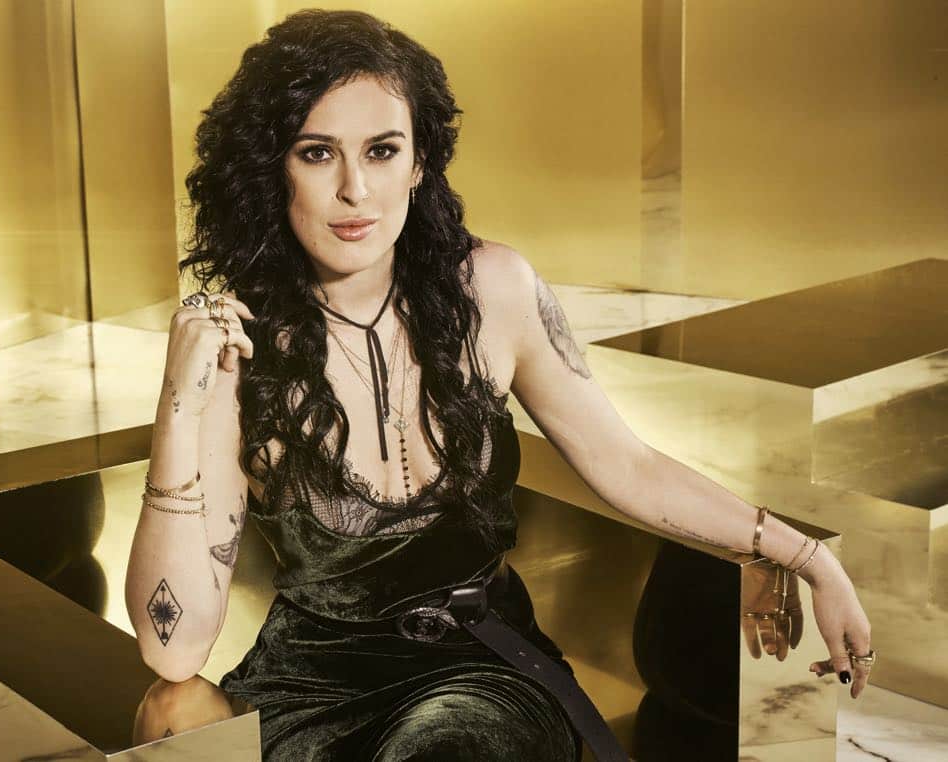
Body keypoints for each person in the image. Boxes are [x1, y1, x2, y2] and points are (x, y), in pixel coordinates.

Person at [125, 9, 874, 761]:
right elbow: (174, 649)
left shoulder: (491, 290)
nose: (356, 189)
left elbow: (627, 465)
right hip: (310, 685)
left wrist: (807, 557)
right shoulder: (239, 347)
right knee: (186, 719)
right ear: (272, 167)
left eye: (382, 150)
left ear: (419, 163)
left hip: (477, 672)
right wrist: (179, 407)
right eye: (318, 153)